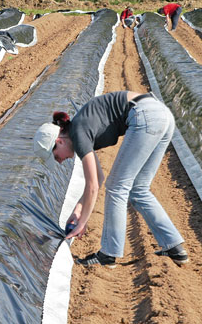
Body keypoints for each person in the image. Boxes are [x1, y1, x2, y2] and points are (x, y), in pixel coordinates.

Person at [33, 91, 188, 268]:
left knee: (117, 187)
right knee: (138, 188)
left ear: (59, 141)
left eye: (55, 156)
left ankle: (108, 253)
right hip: (161, 114)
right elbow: (97, 179)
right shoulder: (79, 129)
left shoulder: (78, 134)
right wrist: (78, 209)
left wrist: (81, 223)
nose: (59, 161)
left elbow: (92, 186)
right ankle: (173, 246)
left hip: (145, 116)